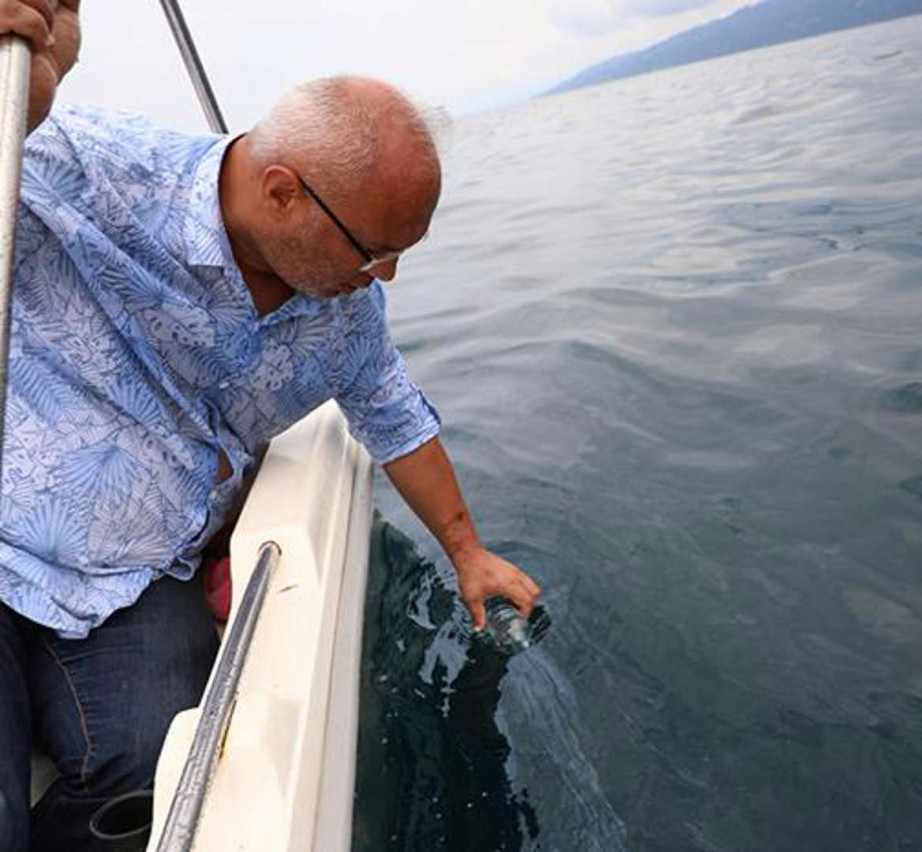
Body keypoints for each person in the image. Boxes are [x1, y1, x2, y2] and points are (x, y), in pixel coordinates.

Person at [0, 2, 542, 850]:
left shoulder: (346, 312)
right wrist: (19, 104)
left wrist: (467, 552)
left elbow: (395, 417)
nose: (385, 276)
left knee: (160, 785)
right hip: (6, 538)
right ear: (283, 191)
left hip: (136, 584)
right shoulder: (90, 164)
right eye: (373, 249)